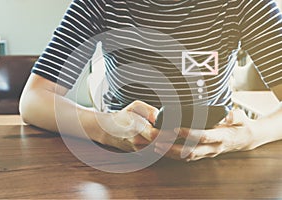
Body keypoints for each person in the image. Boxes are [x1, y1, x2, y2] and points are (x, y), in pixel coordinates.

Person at [20, 0, 282, 161]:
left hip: (217, 156)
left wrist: (247, 135)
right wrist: (104, 128)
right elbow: (33, 100)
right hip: (121, 156)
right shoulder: (100, 2)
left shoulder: (244, 3)